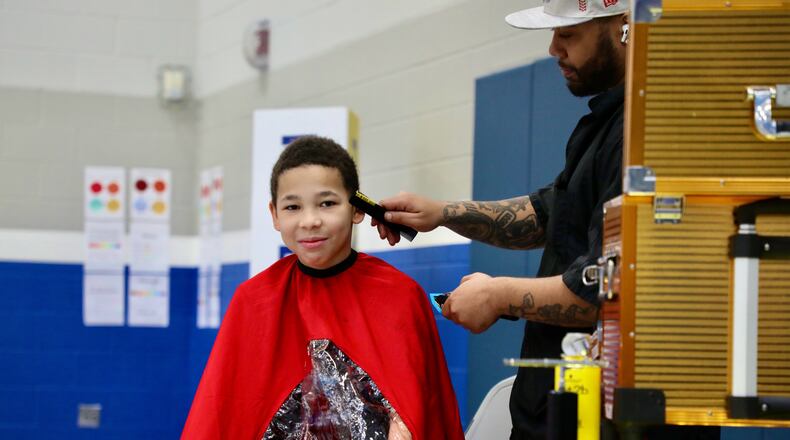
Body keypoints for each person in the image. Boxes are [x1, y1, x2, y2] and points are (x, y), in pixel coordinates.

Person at [182, 136, 464, 439]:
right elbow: (220, 417)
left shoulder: (400, 295)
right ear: (274, 214)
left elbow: (423, 413)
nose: (310, 220)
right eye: (292, 207)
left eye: (327, 203)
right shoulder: (253, 300)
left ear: (357, 208)